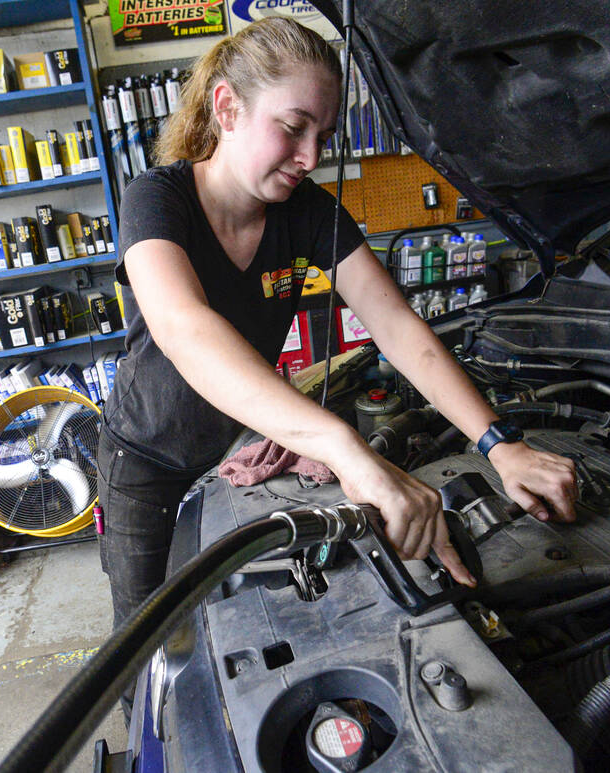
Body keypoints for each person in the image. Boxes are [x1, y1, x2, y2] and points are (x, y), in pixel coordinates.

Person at [97, 17, 578, 635]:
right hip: (144, 460)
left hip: (238, 446)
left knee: (239, 622)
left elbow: (397, 326)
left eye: (324, 135)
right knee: (145, 639)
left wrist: (500, 445)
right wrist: (342, 447)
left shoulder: (308, 213)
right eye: (294, 128)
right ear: (228, 107)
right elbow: (184, 329)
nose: (312, 158)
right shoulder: (157, 199)